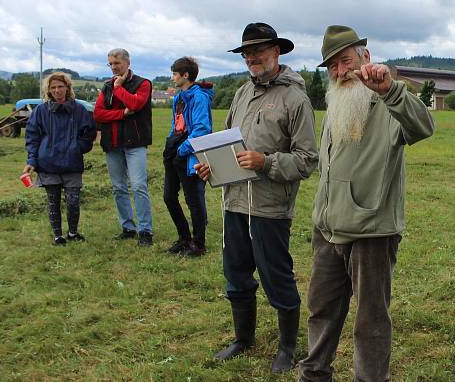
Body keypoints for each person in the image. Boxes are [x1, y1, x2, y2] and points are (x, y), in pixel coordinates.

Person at [298, 25, 435, 382]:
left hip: (372, 233)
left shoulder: (390, 103)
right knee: (321, 311)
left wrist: (390, 90)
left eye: (345, 61)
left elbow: (424, 126)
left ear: (365, 58)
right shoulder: (338, 101)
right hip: (327, 230)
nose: (340, 72)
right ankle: (314, 374)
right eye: (332, 67)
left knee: (371, 320)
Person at [195, 22, 317, 373]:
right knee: (236, 274)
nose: (253, 58)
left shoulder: (295, 99)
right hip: (234, 202)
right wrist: (210, 168)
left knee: (276, 276)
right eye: (247, 53)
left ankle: (287, 347)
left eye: (259, 51)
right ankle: (243, 339)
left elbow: (308, 159)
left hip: (269, 208)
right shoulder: (241, 93)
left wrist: (266, 162)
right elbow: (227, 143)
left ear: (276, 52)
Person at [24, 72, 96, 245]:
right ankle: (58, 236)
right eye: (53, 87)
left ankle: (72, 233)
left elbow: (89, 134)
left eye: (60, 86)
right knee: (53, 201)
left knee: (73, 201)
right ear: (48, 90)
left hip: (72, 163)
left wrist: (77, 147)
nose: (57, 90)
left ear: (67, 88)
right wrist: (31, 161)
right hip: (47, 163)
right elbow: (32, 137)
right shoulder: (40, 111)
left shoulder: (79, 110)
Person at [93, 48, 154, 246]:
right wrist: (121, 114)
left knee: (138, 186)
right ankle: (128, 227)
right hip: (113, 143)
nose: (113, 67)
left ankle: (145, 231)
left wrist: (119, 88)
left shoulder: (143, 83)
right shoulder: (106, 86)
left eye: (116, 63)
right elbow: (98, 114)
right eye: (110, 64)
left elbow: (136, 104)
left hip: (135, 143)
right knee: (119, 187)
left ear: (127, 62)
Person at [163, 56, 214, 257]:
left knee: (194, 200)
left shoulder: (199, 97)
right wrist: (170, 146)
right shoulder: (179, 97)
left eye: (175, 74)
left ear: (186, 75)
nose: (173, 77)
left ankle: (198, 243)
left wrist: (181, 150)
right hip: (174, 150)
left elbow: (202, 129)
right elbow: (176, 125)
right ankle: (184, 238)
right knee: (169, 197)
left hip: (190, 154)